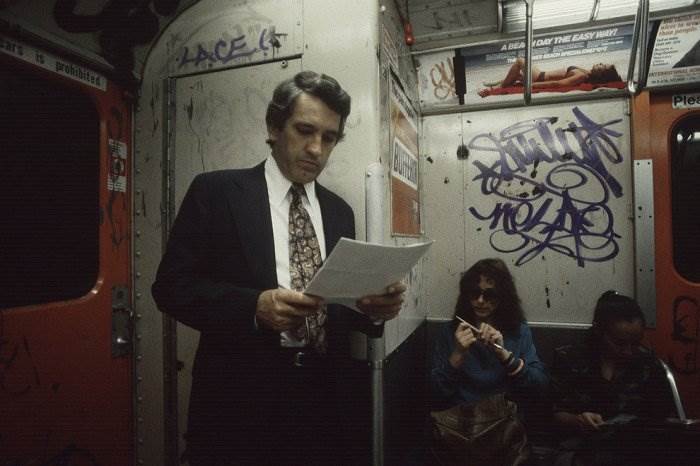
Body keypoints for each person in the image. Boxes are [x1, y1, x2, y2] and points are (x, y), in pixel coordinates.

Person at [151, 70, 406, 466]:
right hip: (240, 404)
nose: (316, 149)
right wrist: (253, 307)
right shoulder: (217, 192)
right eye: (304, 130)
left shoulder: (339, 211)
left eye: (329, 137)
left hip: (327, 401)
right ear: (273, 128)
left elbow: (338, 307)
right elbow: (170, 287)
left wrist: (373, 310)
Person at [430, 258, 549, 465]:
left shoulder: (518, 332)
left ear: (503, 297)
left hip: (503, 430)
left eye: (490, 295)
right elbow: (435, 395)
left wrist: (506, 357)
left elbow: (539, 387)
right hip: (459, 428)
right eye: (474, 293)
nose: (480, 301)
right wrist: (457, 356)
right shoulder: (450, 333)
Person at [550, 291, 676, 466]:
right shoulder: (570, 359)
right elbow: (554, 413)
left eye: (636, 343)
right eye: (620, 343)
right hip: (580, 447)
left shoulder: (648, 364)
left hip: (634, 450)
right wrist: (578, 420)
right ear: (599, 331)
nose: (629, 351)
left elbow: (665, 419)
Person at [478, 57, 622, 97]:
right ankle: (499, 84)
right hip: (540, 75)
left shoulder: (582, 76)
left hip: (539, 78)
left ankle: (498, 88)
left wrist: (531, 85)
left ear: (601, 74)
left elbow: (559, 84)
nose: (600, 64)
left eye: (602, 66)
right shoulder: (586, 73)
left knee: (520, 61)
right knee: (518, 75)